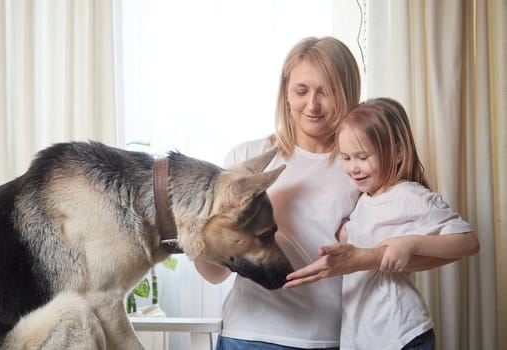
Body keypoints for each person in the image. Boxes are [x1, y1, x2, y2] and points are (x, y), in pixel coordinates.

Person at [194, 36, 362, 349]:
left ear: (348, 93)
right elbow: (214, 274)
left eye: (326, 91)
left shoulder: (360, 168)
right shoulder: (247, 159)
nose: (312, 104)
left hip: (326, 338)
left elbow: (383, 256)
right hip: (248, 335)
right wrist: (201, 238)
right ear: (285, 92)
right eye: (302, 90)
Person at [285, 97, 480, 349]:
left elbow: (468, 242)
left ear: (398, 153)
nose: (353, 168)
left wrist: (411, 244)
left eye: (362, 157)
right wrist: (345, 232)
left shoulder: (408, 194)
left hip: (399, 333)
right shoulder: (365, 200)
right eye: (346, 158)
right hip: (365, 335)